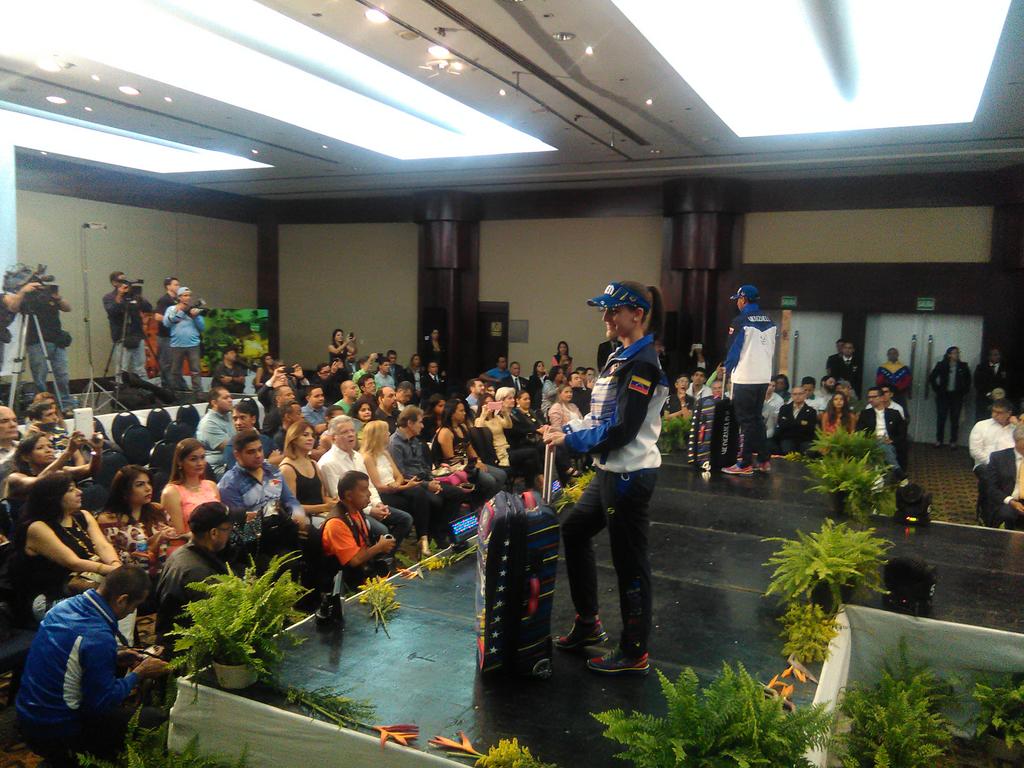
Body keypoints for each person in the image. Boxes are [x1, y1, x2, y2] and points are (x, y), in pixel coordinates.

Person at [544, 281, 667, 676]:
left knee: (630, 562)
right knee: (575, 530)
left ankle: (634, 651)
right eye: (605, 310)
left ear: (637, 314)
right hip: (609, 471)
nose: (606, 317)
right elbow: (601, 418)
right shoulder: (619, 355)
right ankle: (588, 623)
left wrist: (571, 440)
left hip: (629, 474)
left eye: (614, 310)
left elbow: (622, 430)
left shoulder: (642, 362)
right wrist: (566, 426)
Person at [16, 566, 169, 767]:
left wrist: (114, 656)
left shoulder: (65, 606)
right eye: (135, 605)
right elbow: (101, 703)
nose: (133, 611)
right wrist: (139, 673)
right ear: (122, 600)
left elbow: (67, 655)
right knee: (154, 720)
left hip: (27, 717)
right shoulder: (98, 637)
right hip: (57, 730)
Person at [10, 472, 122, 622]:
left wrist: (116, 564)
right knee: (111, 598)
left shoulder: (83, 516)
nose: (79, 492)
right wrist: (114, 572)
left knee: (123, 591)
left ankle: (120, 637)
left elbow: (103, 545)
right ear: (53, 497)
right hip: (51, 596)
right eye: (71, 490)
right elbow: (73, 562)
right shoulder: (37, 527)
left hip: (86, 585)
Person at [317, 415, 413, 544]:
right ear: (334, 438)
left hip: (368, 504)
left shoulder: (358, 456)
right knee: (382, 530)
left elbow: (370, 486)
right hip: (350, 511)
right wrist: (370, 510)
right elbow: (339, 497)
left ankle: (385, 554)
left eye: (352, 430)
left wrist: (378, 504)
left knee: (405, 519)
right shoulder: (328, 463)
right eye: (345, 432)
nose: (351, 434)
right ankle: (379, 553)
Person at [390, 406, 467, 545]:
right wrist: (427, 485)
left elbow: (423, 465)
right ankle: (437, 536)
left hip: (425, 479)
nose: (422, 426)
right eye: (420, 422)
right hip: (411, 485)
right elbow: (401, 474)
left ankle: (441, 532)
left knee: (457, 493)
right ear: (410, 423)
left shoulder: (415, 440)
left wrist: (432, 480)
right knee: (436, 500)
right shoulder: (395, 444)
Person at [154, 502, 231, 643]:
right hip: (188, 648)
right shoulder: (200, 575)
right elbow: (220, 625)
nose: (230, 534)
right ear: (214, 533)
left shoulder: (180, 554)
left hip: (172, 638)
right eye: (228, 529)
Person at [361, 420, 438, 559]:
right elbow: (378, 486)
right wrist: (402, 486)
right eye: (385, 432)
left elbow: (399, 475)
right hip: (382, 494)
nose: (388, 434)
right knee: (416, 499)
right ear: (378, 435)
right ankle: (394, 550)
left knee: (419, 493)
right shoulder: (367, 458)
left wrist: (398, 484)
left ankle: (423, 537)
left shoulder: (384, 453)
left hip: (395, 488)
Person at [722, 284, 777, 476]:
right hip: (763, 377)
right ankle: (764, 459)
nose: (737, 303)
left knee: (745, 421)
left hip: (745, 377)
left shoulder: (740, 321)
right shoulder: (770, 320)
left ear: (743, 299)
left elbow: (733, 349)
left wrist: (727, 369)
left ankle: (744, 462)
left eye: (738, 299)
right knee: (756, 419)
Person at [96, 465, 178, 579]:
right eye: (140, 485)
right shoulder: (109, 519)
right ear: (124, 490)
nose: (148, 488)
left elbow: (175, 540)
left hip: (167, 572)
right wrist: (156, 540)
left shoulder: (157, 509)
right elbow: (117, 559)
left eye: (148, 483)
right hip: (132, 578)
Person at [321, 471, 399, 590]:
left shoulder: (356, 510)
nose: (369, 493)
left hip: (364, 571)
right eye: (364, 489)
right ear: (349, 495)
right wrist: (379, 547)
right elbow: (354, 561)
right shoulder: (336, 523)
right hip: (346, 582)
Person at [433, 398, 507, 499]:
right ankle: (480, 503)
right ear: (452, 413)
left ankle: (487, 501)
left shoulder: (462, 427)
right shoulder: (445, 432)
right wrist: (472, 464)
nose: (464, 413)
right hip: (454, 468)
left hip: (468, 464)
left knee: (502, 475)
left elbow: (469, 447)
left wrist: (478, 461)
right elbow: (450, 459)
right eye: (461, 411)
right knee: (490, 481)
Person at [3, 431, 102, 502]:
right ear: (26, 457)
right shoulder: (15, 477)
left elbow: (91, 469)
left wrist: (96, 450)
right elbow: (39, 482)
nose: (48, 450)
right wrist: (68, 452)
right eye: (40, 448)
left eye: (50, 446)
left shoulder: (60, 472)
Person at [24, 278, 73, 408]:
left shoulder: (51, 297)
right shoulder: (29, 299)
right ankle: (43, 405)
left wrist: (57, 297)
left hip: (57, 340)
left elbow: (68, 308)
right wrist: (27, 292)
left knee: (62, 374)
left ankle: (65, 404)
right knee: (40, 375)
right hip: (36, 342)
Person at [160, 438, 221, 535]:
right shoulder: (171, 493)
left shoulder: (211, 485)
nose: (200, 463)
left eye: (202, 457)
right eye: (193, 459)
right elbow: (178, 534)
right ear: (180, 462)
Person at [479, 386, 539, 483]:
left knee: (530, 461)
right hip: (499, 452)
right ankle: (540, 479)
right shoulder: (480, 420)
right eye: (486, 403)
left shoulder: (497, 417)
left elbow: (508, 425)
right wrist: (483, 414)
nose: (489, 405)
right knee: (533, 452)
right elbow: (478, 430)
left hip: (508, 448)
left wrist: (505, 413)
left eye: (491, 403)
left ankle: (530, 486)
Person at [279, 420, 336, 522]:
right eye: (305, 435)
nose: (310, 438)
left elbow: (322, 496)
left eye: (312, 435)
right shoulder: (287, 468)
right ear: (293, 439)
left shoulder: (313, 464)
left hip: (321, 514)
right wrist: (324, 507)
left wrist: (334, 502)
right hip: (301, 519)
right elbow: (291, 506)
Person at [102, 272, 153, 378]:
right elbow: (112, 311)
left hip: (137, 335)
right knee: (121, 369)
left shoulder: (133, 296)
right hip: (121, 336)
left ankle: (143, 387)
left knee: (140, 368)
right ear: (114, 283)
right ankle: (120, 387)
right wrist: (120, 295)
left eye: (125, 280)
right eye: (121, 281)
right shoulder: (109, 297)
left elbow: (148, 308)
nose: (125, 283)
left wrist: (139, 297)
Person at [163, 286, 205, 397]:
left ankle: (198, 393)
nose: (188, 297)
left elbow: (202, 327)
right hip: (177, 345)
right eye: (185, 295)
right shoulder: (172, 309)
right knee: (175, 371)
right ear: (179, 297)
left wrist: (195, 317)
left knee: (195, 370)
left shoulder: (194, 309)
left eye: (189, 295)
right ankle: (174, 393)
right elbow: (167, 323)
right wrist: (181, 311)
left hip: (193, 344)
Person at [982, 424, 1024, 529]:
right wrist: (1011, 501)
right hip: (1008, 500)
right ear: (1016, 441)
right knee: (1007, 514)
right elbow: (991, 487)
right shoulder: (998, 458)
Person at [928, 346, 971, 447]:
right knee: (941, 418)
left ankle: (953, 441)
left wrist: (964, 392)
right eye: (954, 353)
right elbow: (932, 377)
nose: (957, 354)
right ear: (949, 355)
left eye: (958, 353)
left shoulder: (963, 366)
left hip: (956, 396)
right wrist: (937, 389)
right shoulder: (941, 365)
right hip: (943, 395)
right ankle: (939, 440)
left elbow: (968, 380)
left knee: (955, 419)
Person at [857, 387, 907, 470]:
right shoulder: (865, 414)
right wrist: (869, 438)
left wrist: (892, 440)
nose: (870, 400)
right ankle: (897, 470)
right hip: (871, 441)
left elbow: (902, 432)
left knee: (885, 447)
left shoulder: (894, 413)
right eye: (869, 397)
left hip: (889, 441)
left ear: (881, 398)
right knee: (883, 446)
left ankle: (881, 473)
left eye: (874, 397)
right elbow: (859, 430)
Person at [196, 385, 236, 477]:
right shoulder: (208, 423)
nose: (230, 400)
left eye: (230, 397)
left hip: (233, 463)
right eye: (225, 398)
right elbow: (231, 449)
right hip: (219, 469)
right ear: (214, 403)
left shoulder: (230, 416)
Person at [772, 385, 818, 454]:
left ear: (805, 395)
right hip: (787, 438)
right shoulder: (784, 408)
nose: (797, 396)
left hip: (804, 439)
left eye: (800, 394)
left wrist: (790, 422)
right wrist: (800, 423)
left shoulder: (811, 411)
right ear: (791, 395)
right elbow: (782, 424)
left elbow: (810, 428)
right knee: (787, 451)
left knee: (810, 452)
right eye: (795, 394)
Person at [153, 276, 180, 390]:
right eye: (175, 285)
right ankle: (168, 387)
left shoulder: (177, 301)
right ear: (168, 286)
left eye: (178, 285)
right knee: (166, 363)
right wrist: (170, 320)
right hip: (165, 336)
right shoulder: (164, 300)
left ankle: (175, 385)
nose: (178, 287)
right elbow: (157, 316)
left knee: (174, 363)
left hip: (174, 337)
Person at [975, 348, 1011, 423]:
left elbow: (1009, 383)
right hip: (984, 398)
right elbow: (977, 382)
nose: (996, 357)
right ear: (989, 356)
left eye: (997, 355)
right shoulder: (981, 367)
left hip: (1001, 399)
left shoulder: (1006, 367)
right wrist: (988, 393)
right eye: (993, 355)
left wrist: (1000, 394)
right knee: (983, 419)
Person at [876, 347, 912, 415]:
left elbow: (907, 381)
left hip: (900, 394)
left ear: (898, 354)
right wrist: (888, 389)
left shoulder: (904, 368)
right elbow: (879, 382)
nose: (892, 355)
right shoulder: (882, 367)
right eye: (890, 353)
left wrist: (898, 388)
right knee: (884, 412)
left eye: (894, 353)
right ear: (887, 355)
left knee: (901, 412)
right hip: (885, 394)